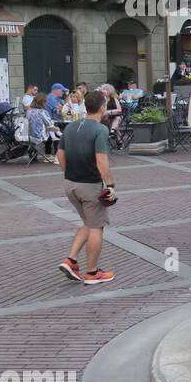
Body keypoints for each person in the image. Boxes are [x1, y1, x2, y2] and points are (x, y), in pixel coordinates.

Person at [57, 89, 117, 285]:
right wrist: (110, 185)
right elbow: (101, 161)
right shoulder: (101, 130)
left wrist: (70, 173)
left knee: (87, 221)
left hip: (69, 184)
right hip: (89, 185)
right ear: (102, 107)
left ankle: (71, 260)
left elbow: (60, 155)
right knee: (96, 227)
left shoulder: (71, 127)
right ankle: (92, 273)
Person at [27, 94, 62, 162]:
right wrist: (58, 129)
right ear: (43, 102)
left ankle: (37, 152)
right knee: (56, 134)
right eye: (46, 102)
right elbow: (50, 126)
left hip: (29, 136)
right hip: (39, 136)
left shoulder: (29, 111)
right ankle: (53, 155)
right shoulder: (43, 112)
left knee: (50, 132)